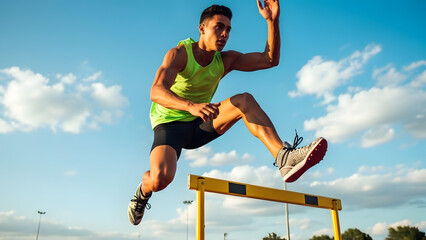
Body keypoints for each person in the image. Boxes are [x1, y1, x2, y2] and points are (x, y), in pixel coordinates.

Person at [128, 0, 328, 226]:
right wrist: (190, 105)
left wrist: (273, 21)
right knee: (160, 178)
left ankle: (284, 158)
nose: (224, 34)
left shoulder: (225, 60)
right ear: (202, 29)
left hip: (201, 122)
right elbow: (156, 91)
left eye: (228, 29)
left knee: (244, 100)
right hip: (170, 124)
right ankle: (142, 193)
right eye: (219, 27)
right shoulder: (180, 54)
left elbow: (270, 60)